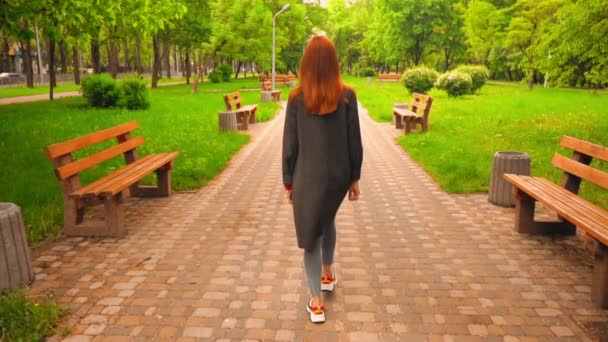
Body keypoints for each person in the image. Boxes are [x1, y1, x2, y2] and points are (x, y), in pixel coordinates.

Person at [282, 34, 363, 324]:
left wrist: (288, 181)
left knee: (311, 234)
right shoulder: (347, 95)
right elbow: (355, 140)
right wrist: (354, 177)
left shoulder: (297, 98)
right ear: (333, 63)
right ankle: (327, 273)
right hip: (338, 178)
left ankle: (317, 302)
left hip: (308, 177)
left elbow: (290, 145)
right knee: (326, 218)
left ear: (305, 63)